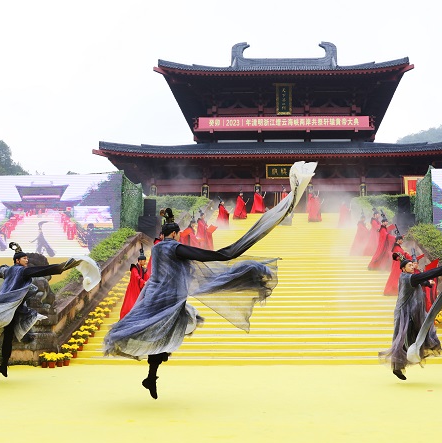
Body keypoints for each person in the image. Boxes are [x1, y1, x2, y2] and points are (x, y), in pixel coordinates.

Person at [104, 161, 317, 399]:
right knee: (167, 334)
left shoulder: (158, 248)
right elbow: (202, 256)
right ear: (174, 235)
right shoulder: (174, 248)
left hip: (154, 298)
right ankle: (153, 373)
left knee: (161, 335)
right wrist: (225, 254)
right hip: (166, 301)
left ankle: (151, 377)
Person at [0, 242, 99, 378]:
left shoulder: (9, 269)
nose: (27, 261)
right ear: (18, 261)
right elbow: (45, 270)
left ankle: (3, 364)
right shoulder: (23, 270)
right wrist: (65, 266)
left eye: (27, 259)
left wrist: (17, 252)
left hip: (6, 305)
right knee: (6, 334)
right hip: (10, 307)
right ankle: (4, 359)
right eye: (24, 259)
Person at [379, 260, 442, 380]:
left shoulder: (409, 277)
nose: (412, 267)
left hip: (413, 312)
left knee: (421, 333)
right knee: (400, 340)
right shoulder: (407, 278)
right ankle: (397, 367)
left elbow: (420, 280)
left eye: (412, 265)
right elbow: (425, 275)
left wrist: (427, 283)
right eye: (409, 265)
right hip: (404, 314)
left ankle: (421, 350)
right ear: (403, 269)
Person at [120, 248, 150, 319]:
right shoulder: (134, 268)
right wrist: (143, 282)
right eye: (144, 261)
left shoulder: (142, 269)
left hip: (138, 289)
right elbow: (136, 277)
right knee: (130, 304)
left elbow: (146, 277)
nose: (145, 262)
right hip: (133, 289)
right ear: (139, 261)